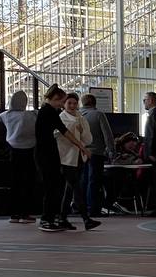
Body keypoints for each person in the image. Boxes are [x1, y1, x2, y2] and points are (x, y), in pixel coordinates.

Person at [36, 86, 88, 232]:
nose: (62, 105)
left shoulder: (51, 111)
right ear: (56, 99)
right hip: (45, 154)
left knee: (56, 187)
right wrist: (82, 146)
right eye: (62, 102)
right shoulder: (47, 111)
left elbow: (63, 130)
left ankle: (53, 218)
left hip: (50, 153)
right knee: (51, 187)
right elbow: (64, 131)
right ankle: (46, 219)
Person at [56, 92, 100, 231]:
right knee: (76, 188)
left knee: (70, 189)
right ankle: (86, 219)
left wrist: (82, 132)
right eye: (69, 103)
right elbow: (57, 135)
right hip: (66, 159)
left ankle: (62, 217)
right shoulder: (60, 118)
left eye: (75, 103)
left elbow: (88, 140)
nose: (72, 106)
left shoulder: (81, 118)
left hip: (79, 158)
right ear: (64, 104)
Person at [0, 90, 38, 224]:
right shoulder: (31, 115)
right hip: (29, 152)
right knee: (27, 183)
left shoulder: (4, 115)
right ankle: (25, 214)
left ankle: (14, 214)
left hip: (12, 151)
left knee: (15, 183)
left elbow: (0, 117)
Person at [80, 93, 115, 219]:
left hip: (80, 153)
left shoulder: (77, 115)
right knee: (94, 181)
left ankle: (80, 207)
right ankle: (93, 208)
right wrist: (111, 151)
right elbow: (107, 135)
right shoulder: (98, 114)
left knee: (82, 181)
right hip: (96, 153)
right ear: (95, 103)